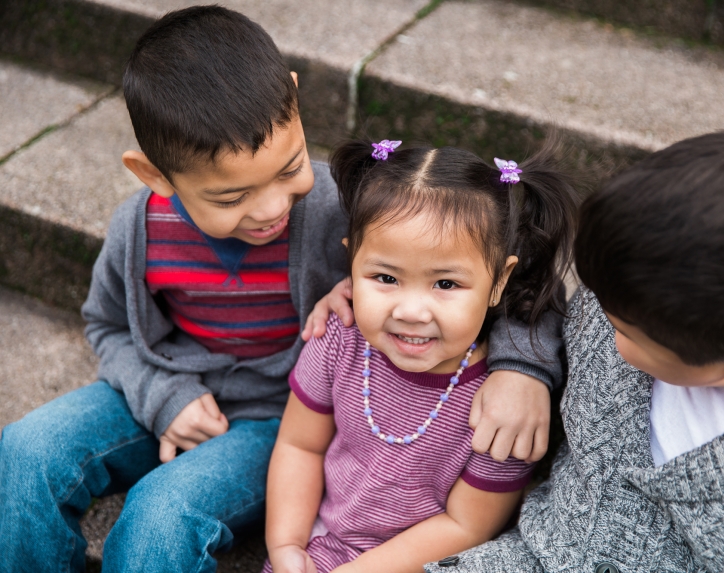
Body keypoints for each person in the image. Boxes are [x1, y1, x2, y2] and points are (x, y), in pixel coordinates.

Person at [0, 8, 565, 573]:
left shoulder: (344, 206)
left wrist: (523, 369)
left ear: (294, 99)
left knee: (162, 515)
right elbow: (106, 325)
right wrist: (160, 394)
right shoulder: (138, 229)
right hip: (163, 388)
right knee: (25, 450)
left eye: (289, 166)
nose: (272, 207)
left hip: (279, 416)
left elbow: (508, 272)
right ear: (154, 176)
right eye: (229, 198)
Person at [428, 131, 724, 572]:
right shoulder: (640, 274)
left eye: (621, 331)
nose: (593, 315)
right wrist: (524, 366)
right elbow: (520, 287)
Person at [262, 138, 581, 573]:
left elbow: (467, 525)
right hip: (321, 548)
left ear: (500, 281)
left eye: (446, 284)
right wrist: (285, 546)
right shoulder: (340, 338)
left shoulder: (504, 407)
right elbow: (300, 445)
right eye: (386, 276)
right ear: (352, 260)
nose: (410, 312)